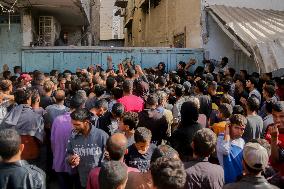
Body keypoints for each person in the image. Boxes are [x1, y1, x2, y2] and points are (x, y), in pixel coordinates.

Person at [66, 108, 109, 188]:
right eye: (73, 124)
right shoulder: (73, 136)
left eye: (77, 124)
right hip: (81, 180)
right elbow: (68, 155)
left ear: (86, 122)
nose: (74, 127)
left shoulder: (102, 136)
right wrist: (71, 159)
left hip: (99, 182)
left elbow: (109, 159)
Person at [51, 94, 86, 189]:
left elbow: (53, 142)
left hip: (60, 162)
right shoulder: (82, 124)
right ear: (82, 107)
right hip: (76, 166)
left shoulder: (57, 120)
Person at [0, 88, 45, 162]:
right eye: (30, 98)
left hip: (11, 154)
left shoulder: (8, 115)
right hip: (31, 154)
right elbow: (41, 140)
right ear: (27, 100)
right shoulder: (37, 117)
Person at [217, 114, 247, 184]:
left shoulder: (242, 141)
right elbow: (225, 150)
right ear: (229, 127)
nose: (240, 131)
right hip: (226, 182)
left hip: (239, 181)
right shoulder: (221, 138)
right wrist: (227, 133)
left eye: (242, 129)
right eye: (236, 128)